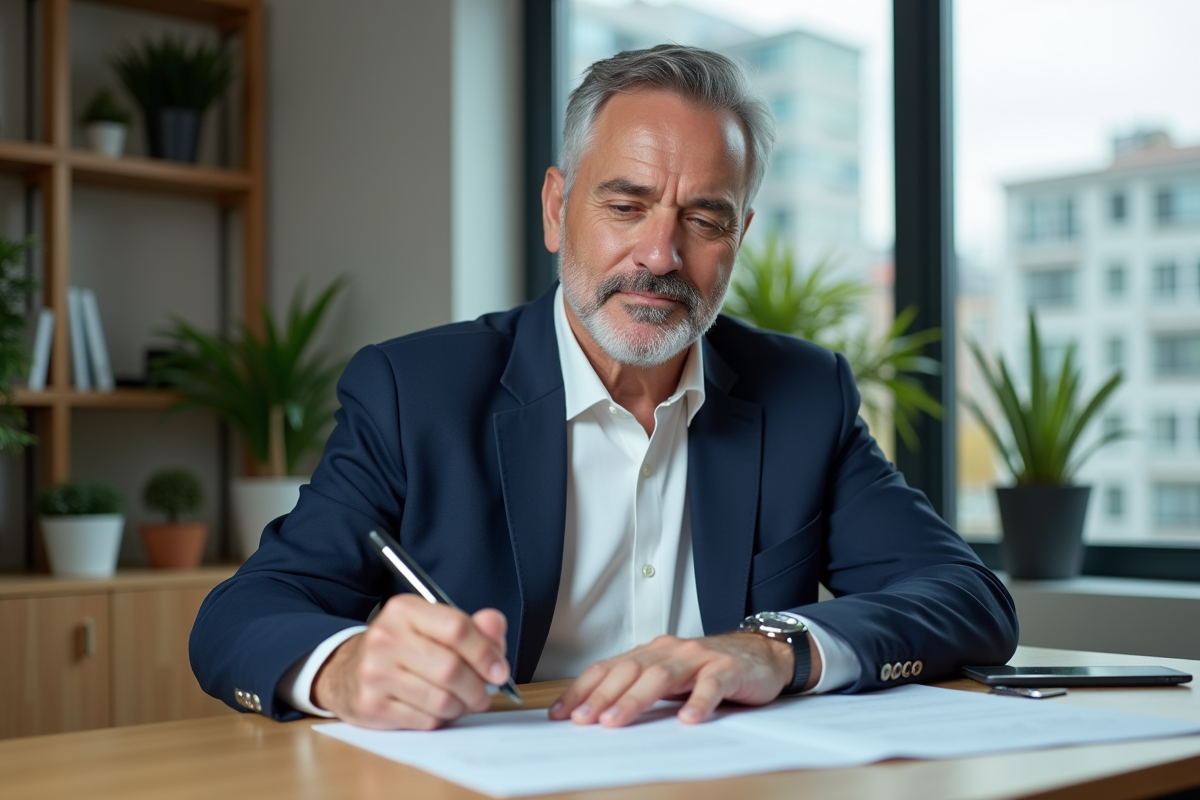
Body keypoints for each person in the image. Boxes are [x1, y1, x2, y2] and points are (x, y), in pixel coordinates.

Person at [191, 45, 1018, 731]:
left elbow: (967, 598)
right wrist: (342, 670)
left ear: (739, 238)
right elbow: (241, 615)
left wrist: (774, 648)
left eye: (704, 218)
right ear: (558, 209)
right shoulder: (416, 392)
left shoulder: (805, 394)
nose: (660, 255)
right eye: (627, 206)